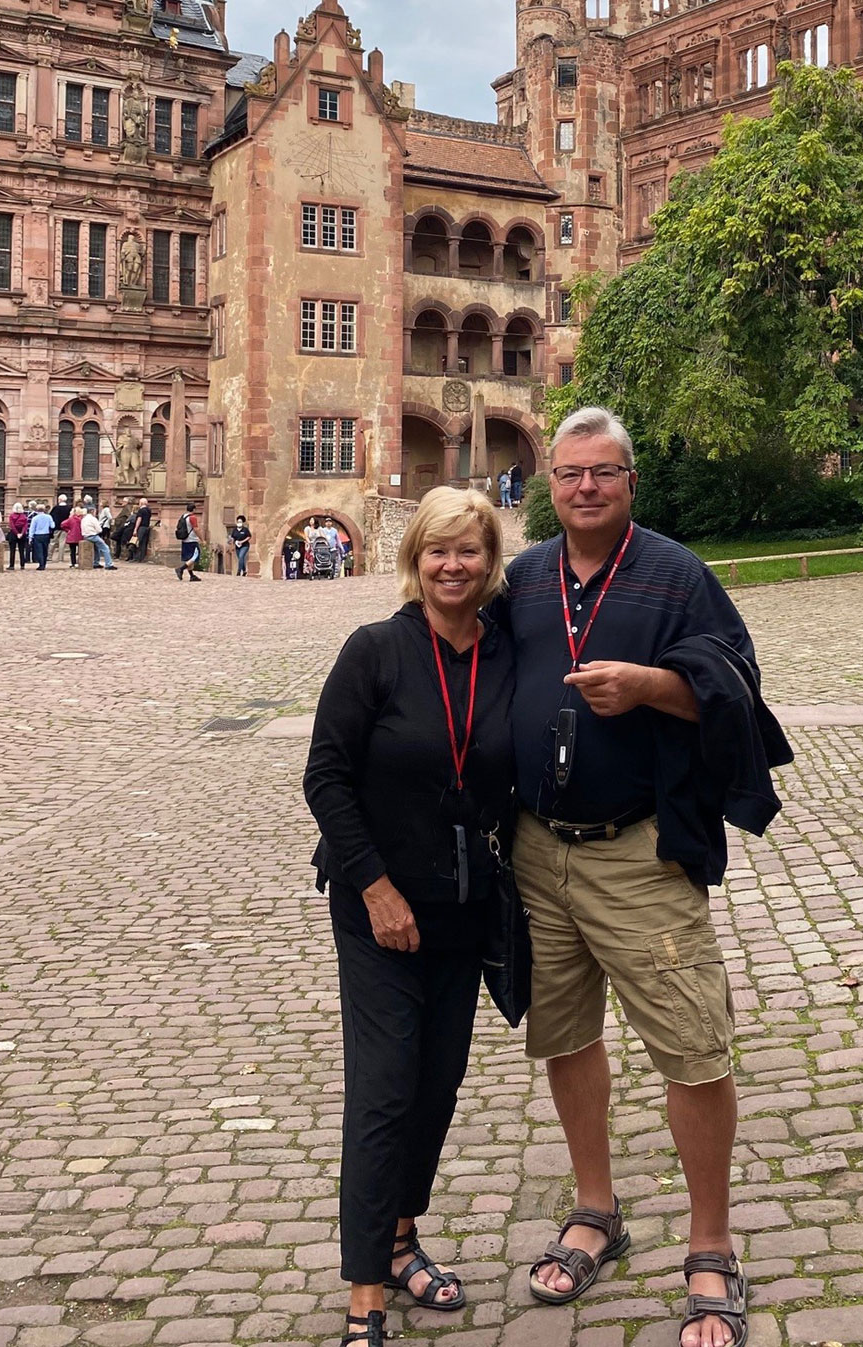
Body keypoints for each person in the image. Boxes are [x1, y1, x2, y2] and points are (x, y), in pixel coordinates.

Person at [507, 407, 789, 1347]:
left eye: (605, 472)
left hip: (640, 849)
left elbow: (734, 681)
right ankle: (597, 1208)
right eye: (570, 472)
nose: (586, 487)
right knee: (564, 1033)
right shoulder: (524, 576)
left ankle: (711, 1247)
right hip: (538, 849)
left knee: (692, 1047)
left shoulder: (675, 573)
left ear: (632, 482)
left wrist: (651, 687)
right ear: (551, 482)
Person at [304, 488, 513, 1347]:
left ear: (490, 562)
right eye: (438, 551)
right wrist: (374, 886)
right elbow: (326, 777)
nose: (452, 566)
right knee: (385, 1092)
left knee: (437, 1084)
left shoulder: (506, 655)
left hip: (463, 907)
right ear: (414, 560)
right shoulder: (377, 651)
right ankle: (365, 1298)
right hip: (379, 908)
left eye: (468, 551)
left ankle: (399, 1237)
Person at [176, 504, 201, 582]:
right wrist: (202, 538)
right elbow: (196, 529)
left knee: (189, 558)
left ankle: (192, 576)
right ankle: (181, 569)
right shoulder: (192, 517)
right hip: (192, 540)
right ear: (194, 509)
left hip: (185, 539)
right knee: (195, 556)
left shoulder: (183, 516)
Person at [27, 503, 55, 570]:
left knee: (39, 550)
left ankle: (41, 564)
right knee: (45, 550)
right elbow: (52, 526)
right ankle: (44, 563)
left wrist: (30, 537)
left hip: (37, 535)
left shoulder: (35, 518)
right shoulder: (49, 517)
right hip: (46, 535)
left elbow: (32, 528)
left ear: (37, 510)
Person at [6, 503, 30, 570]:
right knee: (21, 550)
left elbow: (12, 526)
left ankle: (11, 565)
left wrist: (16, 533)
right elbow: (25, 526)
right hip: (22, 534)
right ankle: (22, 565)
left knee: (12, 550)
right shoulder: (24, 516)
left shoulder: (11, 516)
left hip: (13, 533)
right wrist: (21, 533)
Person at [49, 493, 73, 559]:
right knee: (62, 543)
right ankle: (60, 557)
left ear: (59, 500)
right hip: (65, 528)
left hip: (56, 527)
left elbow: (51, 517)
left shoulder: (56, 508)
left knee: (52, 542)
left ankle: (49, 556)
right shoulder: (69, 508)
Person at [61, 504, 85, 568]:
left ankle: (73, 563)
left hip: (72, 536)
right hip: (81, 536)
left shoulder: (71, 519)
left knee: (72, 551)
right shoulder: (83, 519)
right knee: (81, 551)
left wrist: (67, 530)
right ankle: (80, 562)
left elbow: (63, 524)